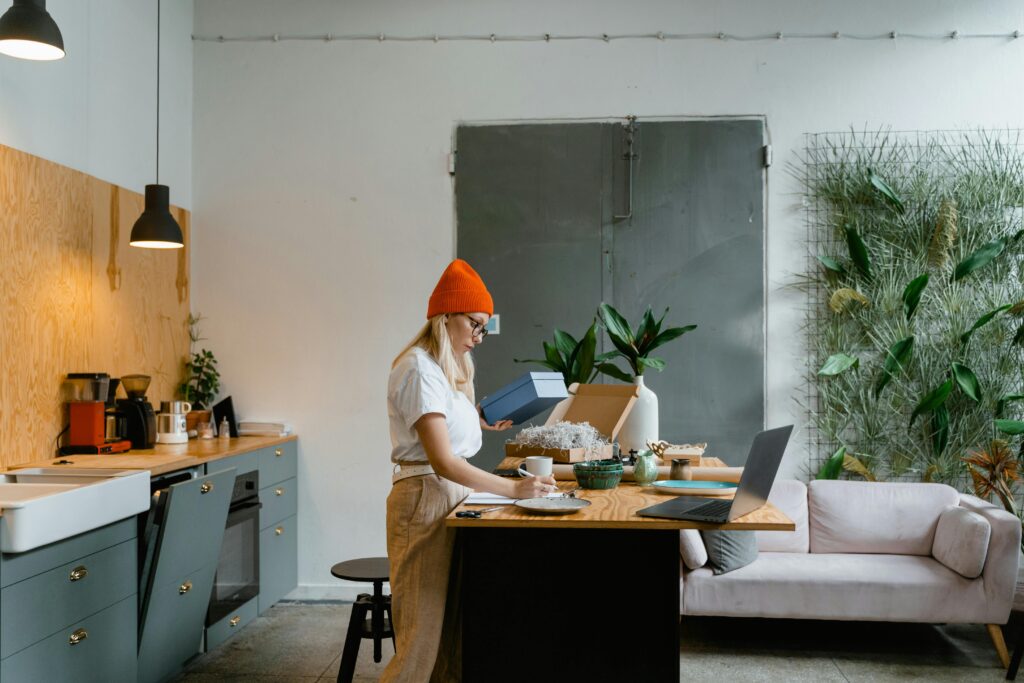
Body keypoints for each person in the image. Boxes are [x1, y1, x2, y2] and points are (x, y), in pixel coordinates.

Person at [381, 259, 557, 683]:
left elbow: (442, 433)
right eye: (475, 325)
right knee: (420, 643)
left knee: (452, 637)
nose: (479, 337)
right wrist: (513, 490)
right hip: (425, 497)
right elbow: (442, 460)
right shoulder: (417, 369)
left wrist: (475, 418)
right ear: (447, 316)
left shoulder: (442, 371)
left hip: (447, 496)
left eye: (483, 328)